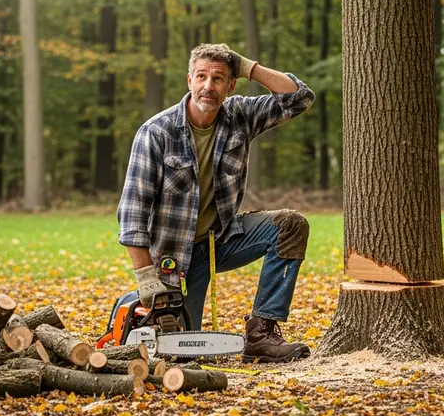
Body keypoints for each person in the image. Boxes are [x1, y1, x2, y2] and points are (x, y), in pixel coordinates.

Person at [117, 43, 316, 363]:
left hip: (221, 240)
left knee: (289, 225)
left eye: (219, 78)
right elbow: (132, 216)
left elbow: (300, 97)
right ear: (189, 81)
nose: (209, 86)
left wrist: (249, 67)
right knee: (182, 349)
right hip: (173, 258)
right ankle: (134, 307)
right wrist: (148, 282)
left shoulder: (240, 115)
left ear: (231, 85)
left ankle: (261, 334)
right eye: (202, 77)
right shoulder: (156, 132)